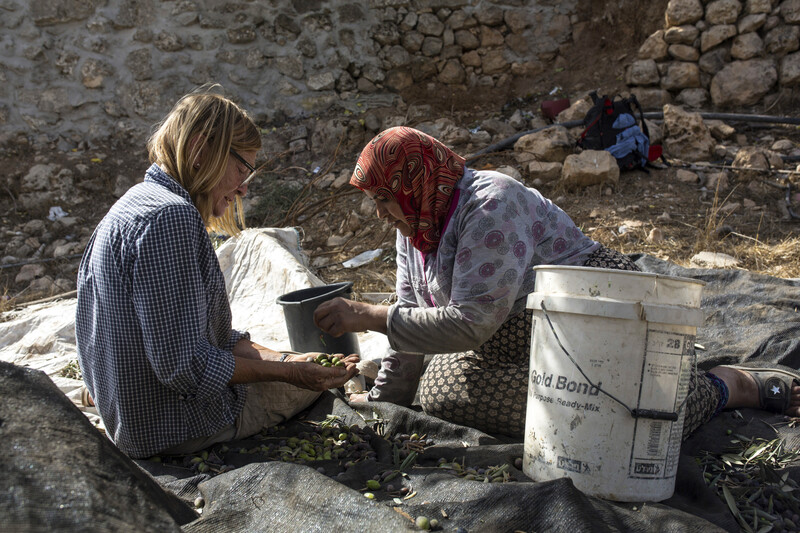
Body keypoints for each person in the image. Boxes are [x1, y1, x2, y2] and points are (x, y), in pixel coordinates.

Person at [313, 126, 800, 440]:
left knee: (625, 425)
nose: (380, 212)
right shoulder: (415, 228)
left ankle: (727, 386)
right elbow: (411, 318)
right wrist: (381, 407)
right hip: (520, 331)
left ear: (416, 180)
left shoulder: (490, 204)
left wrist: (367, 316)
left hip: (597, 308)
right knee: (442, 391)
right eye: (375, 199)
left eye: (385, 196)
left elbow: (468, 323)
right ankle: (602, 395)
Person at [75, 88, 358, 459]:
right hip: (172, 428)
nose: (242, 188)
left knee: (297, 361)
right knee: (323, 384)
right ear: (200, 150)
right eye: (242, 169)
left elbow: (214, 339)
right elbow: (187, 368)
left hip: (129, 418)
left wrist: (285, 360)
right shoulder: (170, 218)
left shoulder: (133, 204)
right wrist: (289, 375)